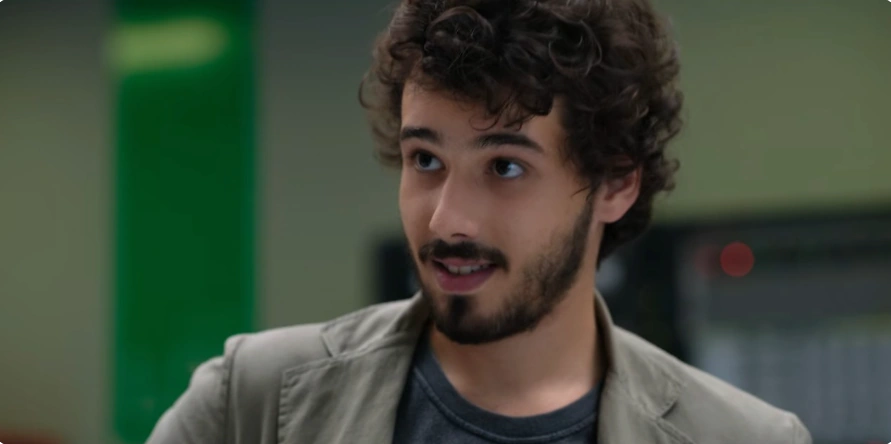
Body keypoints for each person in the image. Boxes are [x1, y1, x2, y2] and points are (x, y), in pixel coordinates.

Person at [147, 0, 812, 443]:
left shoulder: (744, 439)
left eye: (504, 167)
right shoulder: (251, 403)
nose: (447, 219)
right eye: (426, 159)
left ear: (614, 183)